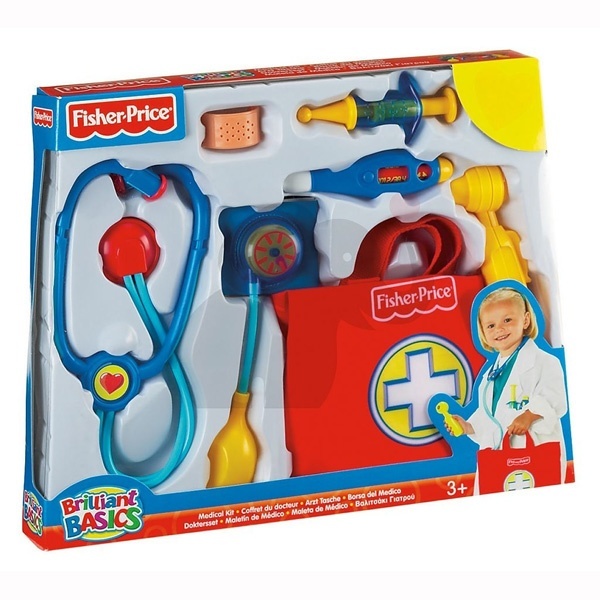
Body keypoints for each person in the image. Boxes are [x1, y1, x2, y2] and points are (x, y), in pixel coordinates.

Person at [448, 287, 568, 481]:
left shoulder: (545, 361)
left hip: (535, 450)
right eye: (491, 325)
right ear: (483, 331)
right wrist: (468, 426)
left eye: (507, 320)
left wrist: (530, 415)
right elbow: (490, 414)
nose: (499, 329)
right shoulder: (489, 375)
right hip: (499, 460)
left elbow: (555, 398)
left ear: (525, 320)